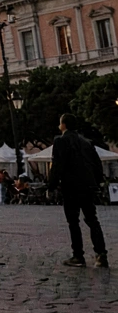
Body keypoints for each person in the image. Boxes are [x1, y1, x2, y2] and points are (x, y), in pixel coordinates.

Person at [48, 113, 108, 268]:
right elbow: (97, 165)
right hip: (88, 186)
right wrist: (96, 183)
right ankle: (101, 255)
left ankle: (78, 256)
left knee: (73, 221)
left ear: (63, 125)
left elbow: (57, 165)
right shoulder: (87, 142)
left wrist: (51, 186)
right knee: (92, 219)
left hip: (71, 186)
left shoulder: (60, 141)